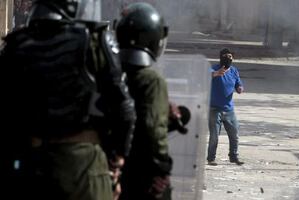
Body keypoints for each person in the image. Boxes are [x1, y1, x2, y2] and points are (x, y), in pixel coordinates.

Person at [0, 0, 136, 199]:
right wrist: (117, 162)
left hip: (30, 169)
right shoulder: (94, 41)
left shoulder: (14, 46)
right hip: (83, 169)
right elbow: (125, 111)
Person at [115, 3, 173, 200]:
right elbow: (154, 129)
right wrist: (162, 168)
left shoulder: (107, 73)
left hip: (111, 168)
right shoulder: (151, 80)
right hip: (141, 175)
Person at [207, 48, 244, 166]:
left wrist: (239, 88)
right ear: (220, 57)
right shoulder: (213, 68)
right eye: (224, 56)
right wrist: (216, 74)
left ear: (233, 58)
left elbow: (239, 84)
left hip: (229, 109)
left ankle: (234, 157)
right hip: (214, 109)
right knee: (214, 137)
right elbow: (204, 76)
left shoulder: (234, 71)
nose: (227, 58)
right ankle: (211, 158)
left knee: (234, 135)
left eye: (229, 56)